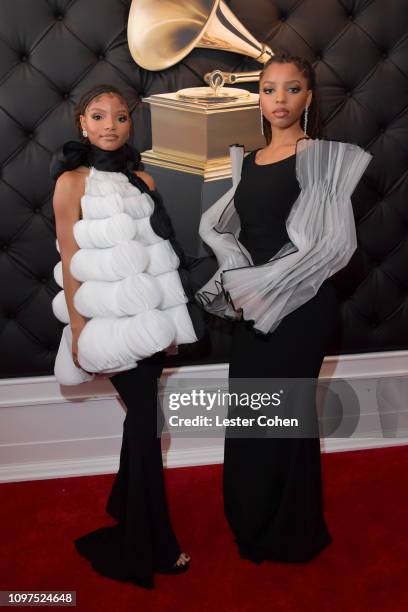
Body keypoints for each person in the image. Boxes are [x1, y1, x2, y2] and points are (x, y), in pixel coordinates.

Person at [196, 51, 373, 563]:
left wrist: (261, 288)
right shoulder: (246, 163)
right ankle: (252, 519)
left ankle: (290, 531)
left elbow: (328, 247)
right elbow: (241, 238)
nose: (279, 99)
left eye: (291, 89)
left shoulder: (322, 159)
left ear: (308, 97)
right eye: (269, 88)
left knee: (286, 419)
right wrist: (241, 284)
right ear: (259, 96)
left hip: (302, 311)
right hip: (255, 310)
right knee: (254, 416)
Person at [51, 84, 204, 588]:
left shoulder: (145, 180)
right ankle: (156, 542)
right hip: (106, 324)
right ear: (82, 123)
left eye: (120, 117)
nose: (111, 124)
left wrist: (168, 324)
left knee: (140, 424)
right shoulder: (71, 182)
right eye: (99, 115)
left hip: (151, 322)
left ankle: (123, 503)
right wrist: (79, 331)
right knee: (147, 424)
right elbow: (71, 264)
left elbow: (158, 255)